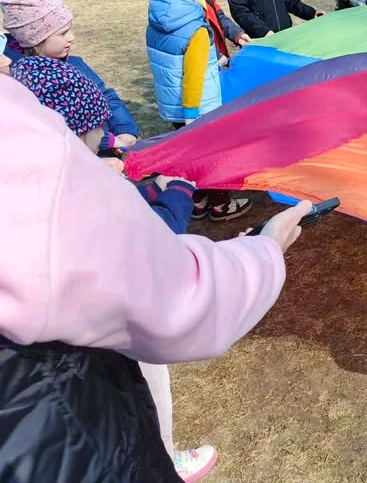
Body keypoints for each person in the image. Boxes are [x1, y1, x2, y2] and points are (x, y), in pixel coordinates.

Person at [8, 54, 218, 481]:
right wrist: (178, 189)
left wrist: (140, 187)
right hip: (109, 340)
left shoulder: (31, 189)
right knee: (144, 394)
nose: (105, 137)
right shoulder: (78, 199)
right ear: (65, 135)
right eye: (96, 131)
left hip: (64, 364)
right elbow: (159, 241)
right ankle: (164, 453)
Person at [148, 0, 252, 222]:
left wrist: (215, 58)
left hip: (171, 103)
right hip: (197, 107)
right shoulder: (194, 28)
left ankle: (195, 198)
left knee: (189, 153)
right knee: (210, 154)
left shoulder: (159, 18)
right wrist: (193, 112)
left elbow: (174, 57)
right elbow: (193, 75)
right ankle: (219, 203)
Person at [0, 0, 140, 154]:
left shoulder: (75, 64)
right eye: (63, 33)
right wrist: (106, 144)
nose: (72, 37)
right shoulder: (18, 82)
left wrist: (125, 130)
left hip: (101, 150)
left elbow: (105, 95)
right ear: (35, 38)